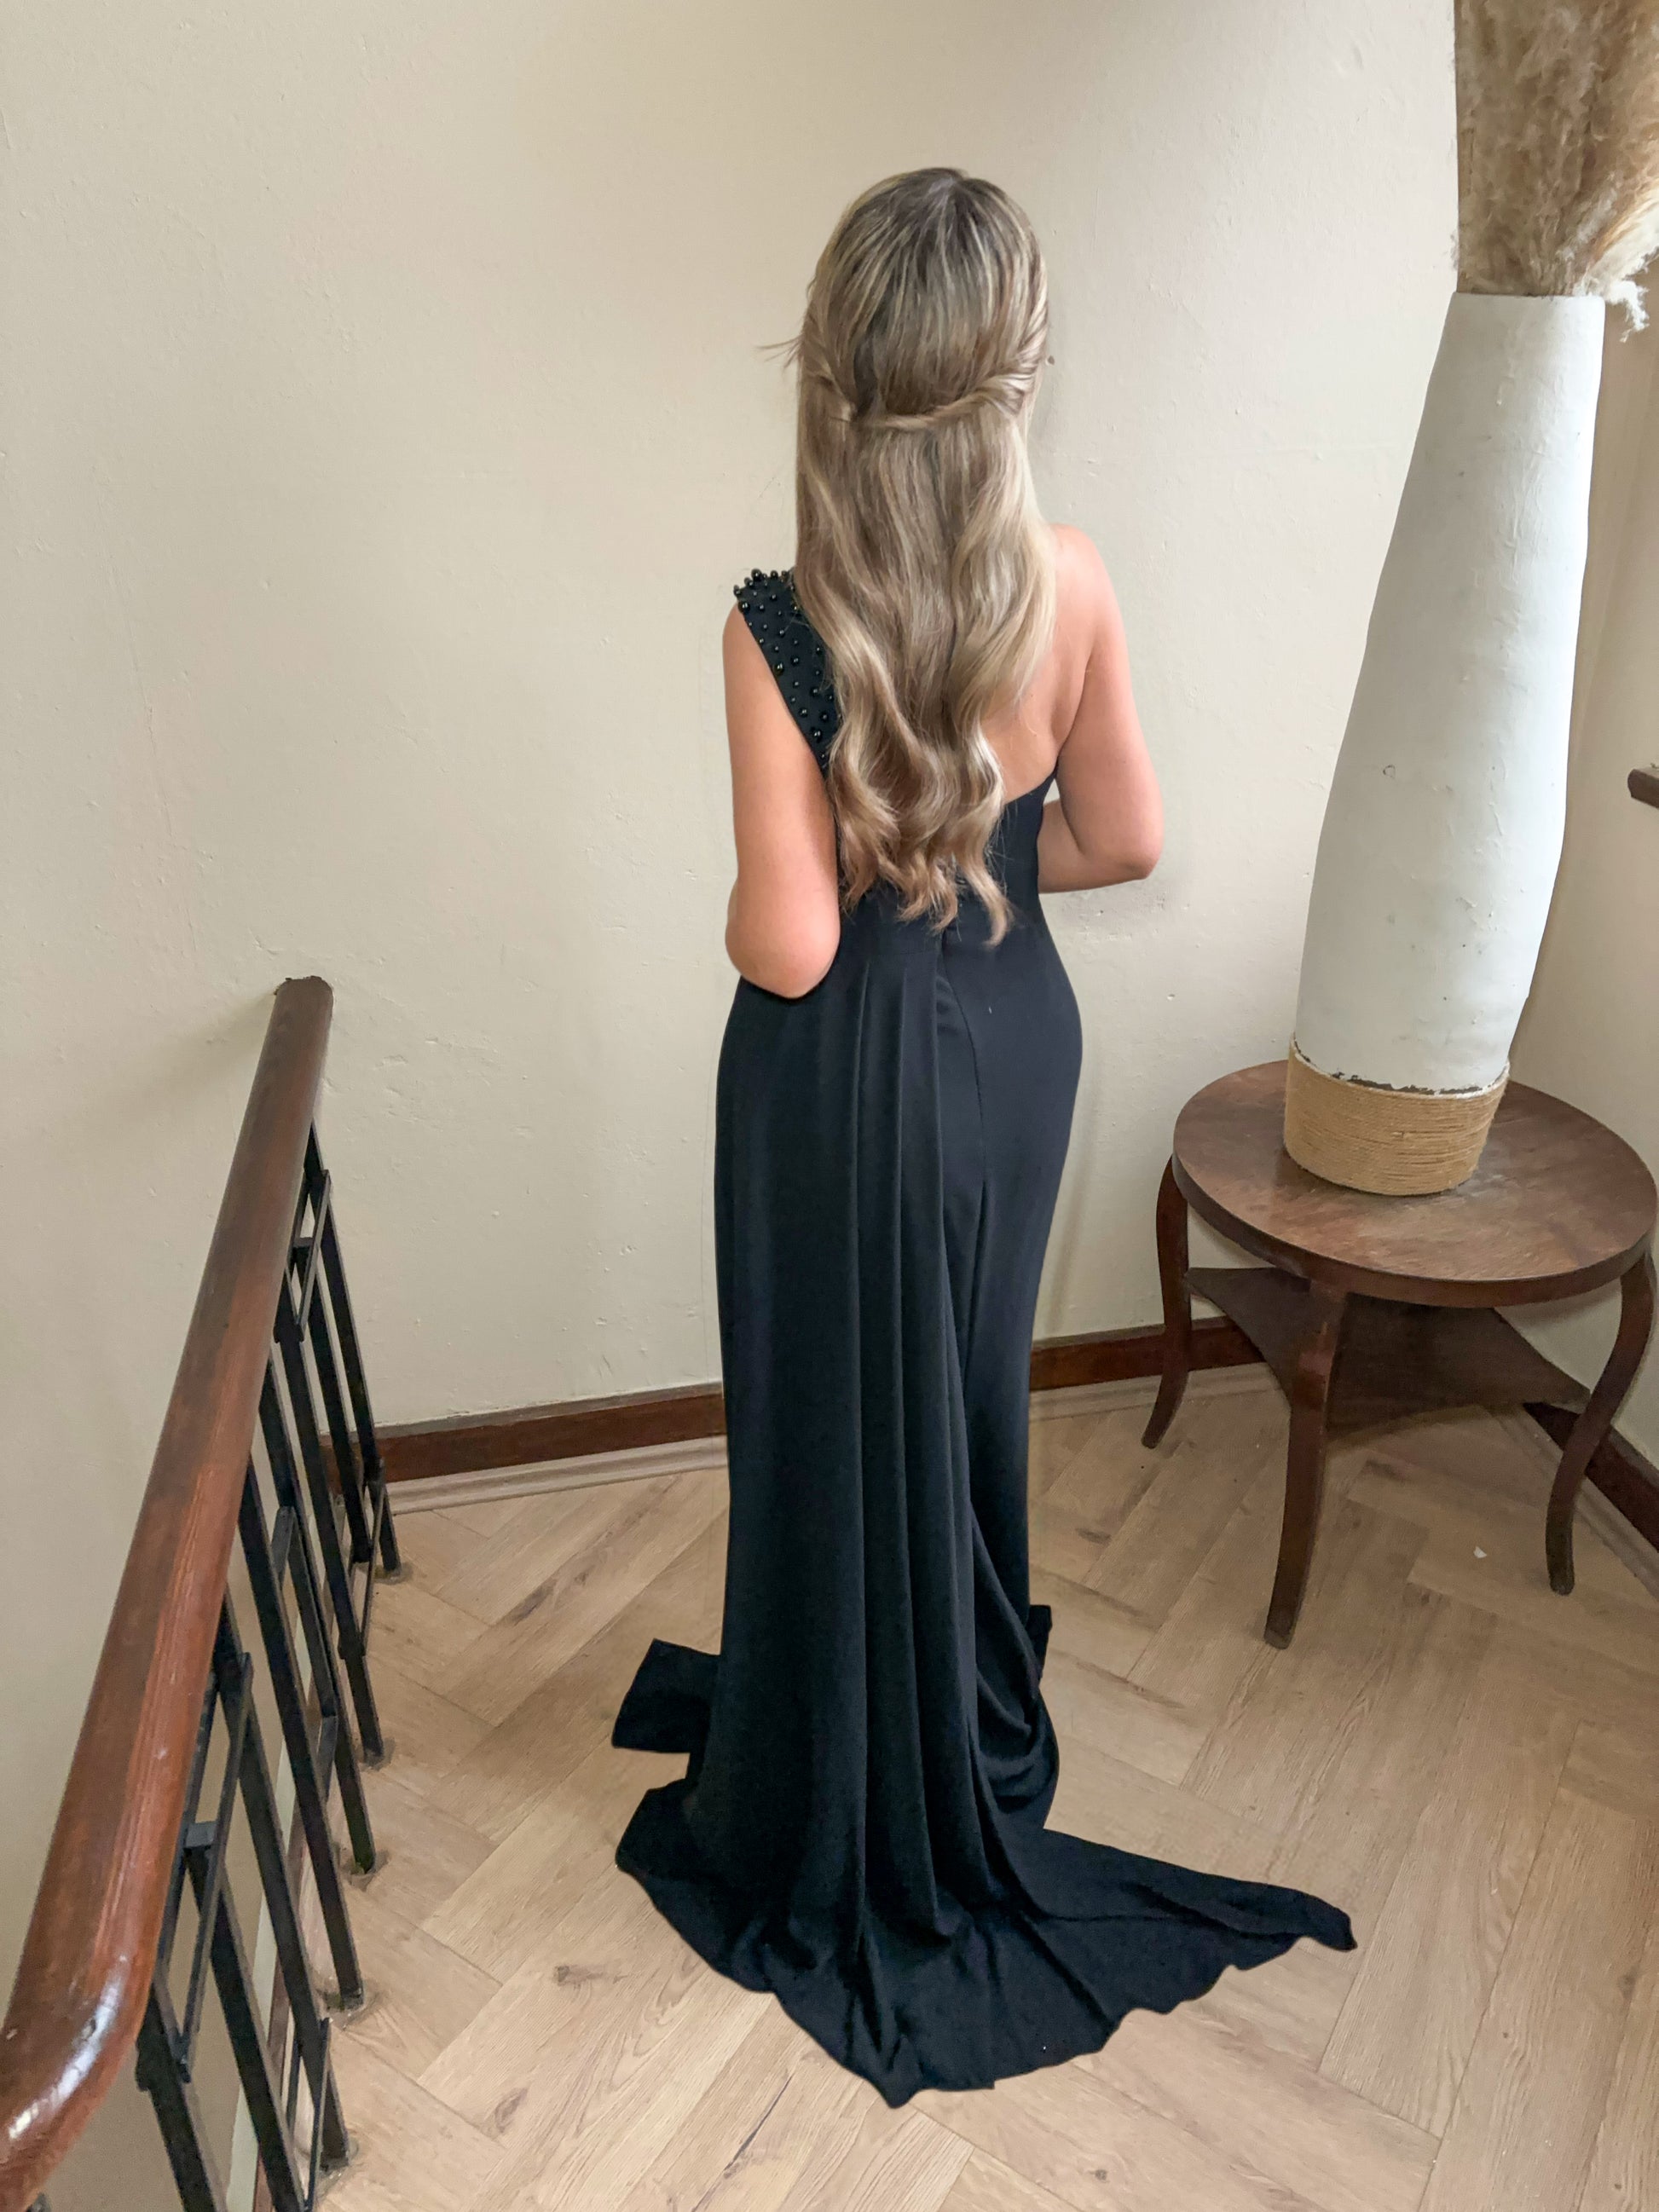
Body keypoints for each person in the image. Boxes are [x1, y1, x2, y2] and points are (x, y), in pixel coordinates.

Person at [613, 166, 1351, 2106]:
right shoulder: (1070, 580)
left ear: (831, 387)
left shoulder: (780, 628)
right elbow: (1124, 838)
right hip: (1012, 1046)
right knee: (961, 1388)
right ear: (1010, 386)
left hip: (836, 1074)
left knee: (831, 1395)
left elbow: (787, 945)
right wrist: (982, 859)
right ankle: (953, 1692)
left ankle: (844, 1726)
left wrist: (804, 876)